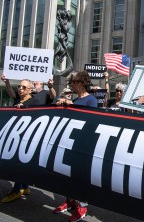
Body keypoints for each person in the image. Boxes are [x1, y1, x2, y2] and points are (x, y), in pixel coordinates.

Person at [55, 70, 97, 221]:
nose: (72, 85)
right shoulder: (75, 100)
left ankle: (82, 206)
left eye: (74, 82)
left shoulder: (91, 100)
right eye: (71, 82)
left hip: (83, 143)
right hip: (69, 141)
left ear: (81, 83)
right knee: (66, 173)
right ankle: (70, 200)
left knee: (80, 175)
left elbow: (91, 120)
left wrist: (72, 105)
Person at [0, 77, 38, 203]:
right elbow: (11, 93)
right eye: (19, 87)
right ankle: (25, 187)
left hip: (26, 139)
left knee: (19, 165)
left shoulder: (35, 102)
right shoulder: (18, 100)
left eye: (24, 87)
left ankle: (16, 191)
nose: (20, 89)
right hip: (15, 137)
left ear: (30, 90)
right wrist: (6, 82)